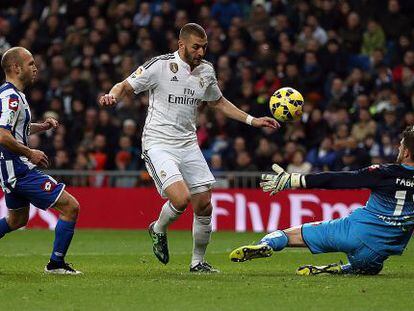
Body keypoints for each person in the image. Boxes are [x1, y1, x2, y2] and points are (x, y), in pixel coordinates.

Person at [99, 23, 279, 272]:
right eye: (196, 47)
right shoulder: (159, 65)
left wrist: (252, 120)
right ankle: (158, 227)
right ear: (181, 44)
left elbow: (218, 102)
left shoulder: (206, 71)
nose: (201, 52)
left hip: (188, 143)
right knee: (181, 199)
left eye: (204, 47)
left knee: (204, 203)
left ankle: (198, 262)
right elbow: (125, 85)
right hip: (158, 142)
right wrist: (112, 95)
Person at [230, 126, 414, 275]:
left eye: (401, 145)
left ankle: (266, 244)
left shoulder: (384, 173)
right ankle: (336, 269)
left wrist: (296, 180)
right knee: (370, 268)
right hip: (377, 252)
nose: (398, 148)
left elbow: (339, 180)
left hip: (353, 231)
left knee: (289, 235)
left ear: (406, 153)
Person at [0, 47, 81, 274]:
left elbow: (16, 129)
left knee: (16, 220)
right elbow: (2, 134)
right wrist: (29, 153)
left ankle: (56, 264)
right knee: (70, 207)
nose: (35, 68)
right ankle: (56, 264)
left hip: (10, 170)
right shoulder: (11, 99)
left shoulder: (11, 95)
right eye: (30, 64)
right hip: (19, 170)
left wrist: (41, 126)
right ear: (16, 68)